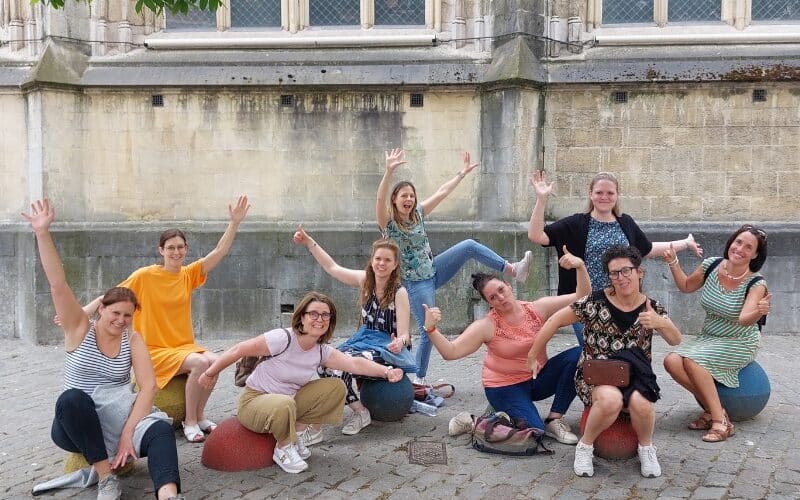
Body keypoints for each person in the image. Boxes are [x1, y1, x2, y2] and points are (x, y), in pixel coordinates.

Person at [23, 199, 183, 500]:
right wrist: (42, 233)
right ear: (101, 309)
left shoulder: (132, 340)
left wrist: (127, 434)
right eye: (115, 313)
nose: (121, 320)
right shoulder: (79, 329)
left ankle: (169, 495)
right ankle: (107, 478)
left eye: (128, 315)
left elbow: (149, 387)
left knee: (161, 432)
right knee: (72, 399)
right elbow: (58, 285)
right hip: (78, 423)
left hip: (120, 417)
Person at [81, 196, 250, 443]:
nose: (176, 252)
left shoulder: (188, 275)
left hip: (182, 345)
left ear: (186, 250)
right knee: (200, 364)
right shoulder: (145, 276)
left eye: (180, 247)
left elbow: (219, 251)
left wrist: (234, 223)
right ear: (161, 250)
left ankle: (200, 415)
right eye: (170, 247)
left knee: (215, 361)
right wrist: (81, 314)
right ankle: (189, 422)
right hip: (154, 349)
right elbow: (111, 296)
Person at [197, 292, 404, 474]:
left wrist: (386, 371)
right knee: (284, 403)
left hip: (287, 402)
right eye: (313, 313)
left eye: (325, 315)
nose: (319, 319)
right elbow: (239, 349)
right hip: (255, 402)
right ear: (301, 317)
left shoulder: (320, 350)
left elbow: (354, 363)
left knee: (335, 387)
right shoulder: (283, 338)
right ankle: (283, 448)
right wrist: (210, 373)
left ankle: (295, 437)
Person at [377, 148, 533, 384]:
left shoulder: (418, 214)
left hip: (434, 270)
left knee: (469, 245)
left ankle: (513, 269)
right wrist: (388, 172)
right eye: (404, 196)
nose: (409, 200)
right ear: (394, 200)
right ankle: (419, 379)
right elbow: (379, 199)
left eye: (411, 196)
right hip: (415, 283)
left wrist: (462, 173)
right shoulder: (388, 224)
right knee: (429, 329)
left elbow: (442, 192)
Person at [527, 245, 682, 478]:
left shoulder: (651, 307)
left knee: (643, 404)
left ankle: (646, 449)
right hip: (597, 375)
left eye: (626, 271)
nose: (621, 278)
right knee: (611, 400)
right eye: (614, 273)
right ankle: (585, 446)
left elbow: (675, 339)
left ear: (639, 272)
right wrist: (533, 354)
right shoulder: (595, 302)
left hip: (635, 376)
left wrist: (660, 322)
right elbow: (554, 320)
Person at [420, 247, 590, 444]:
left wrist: (580, 267)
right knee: (534, 433)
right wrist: (431, 329)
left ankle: (554, 419)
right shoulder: (486, 325)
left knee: (579, 354)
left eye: (501, 290)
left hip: (537, 378)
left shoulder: (537, 308)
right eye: (493, 297)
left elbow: (582, 297)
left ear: (509, 286)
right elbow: (451, 352)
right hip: (504, 387)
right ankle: (473, 421)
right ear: (489, 304)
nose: (500, 297)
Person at [527, 170, 702, 344]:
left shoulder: (625, 223)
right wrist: (541, 199)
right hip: (586, 302)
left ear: (617, 195)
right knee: (593, 349)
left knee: (614, 351)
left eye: (610, 193)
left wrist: (685, 243)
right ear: (590, 194)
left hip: (621, 301)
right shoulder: (575, 223)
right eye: (599, 192)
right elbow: (536, 236)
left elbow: (647, 249)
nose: (604, 197)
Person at [292, 226, 413, 435]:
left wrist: (399, 342)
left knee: (340, 366)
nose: (381, 263)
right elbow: (332, 268)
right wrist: (309, 242)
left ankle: (353, 414)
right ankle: (359, 410)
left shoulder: (399, 292)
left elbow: (405, 335)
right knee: (323, 364)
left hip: (386, 347)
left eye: (387, 260)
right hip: (363, 340)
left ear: (395, 265)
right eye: (378, 258)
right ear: (372, 261)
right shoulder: (365, 280)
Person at [662, 225, 771, 443]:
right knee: (671, 361)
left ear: (755, 255)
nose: (740, 249)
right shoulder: (711, 265)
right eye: (738, 242)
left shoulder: (756, 283)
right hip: (710, 336)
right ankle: (716, 410)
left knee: (693, 362)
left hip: (739, 340)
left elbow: (744, 319)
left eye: (748, 247)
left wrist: (759, 312)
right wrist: (673, 261)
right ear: (731, 242)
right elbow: (686, 286)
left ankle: (720, 422)